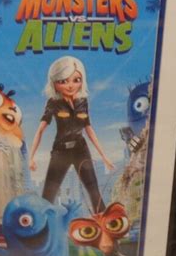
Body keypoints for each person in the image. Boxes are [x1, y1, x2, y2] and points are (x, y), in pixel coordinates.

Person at [29, 56, 114, 211]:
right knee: (49, 193)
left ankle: (105, 221)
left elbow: (89, 129)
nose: (70, 86)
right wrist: (32, 157)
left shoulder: (83, 101)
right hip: (60, 151)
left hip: (81, 150)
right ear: (54, 83)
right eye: (63, 81)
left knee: (93, 190)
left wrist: (104, 156)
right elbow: (40, 130)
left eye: (76, 80)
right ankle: (41, 224)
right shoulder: (53, 102)